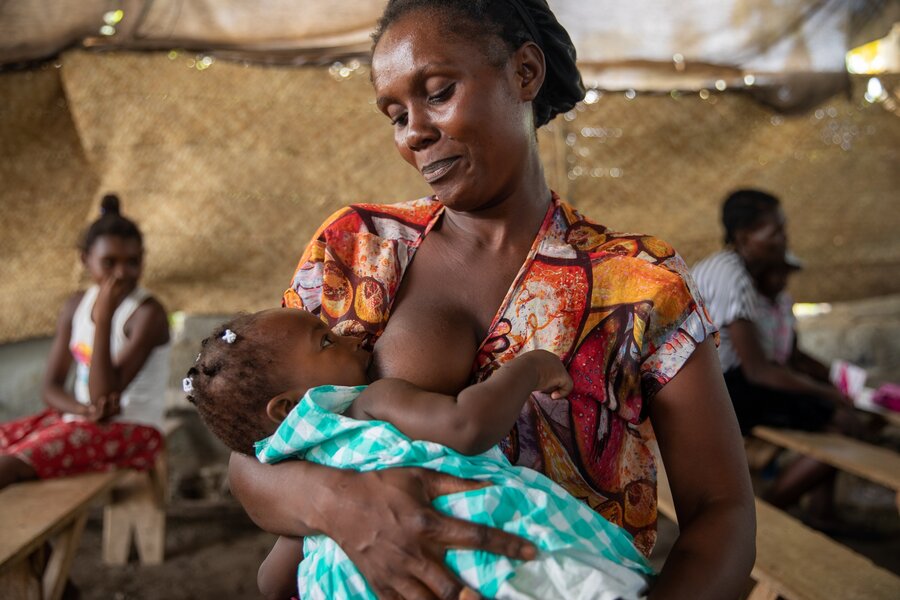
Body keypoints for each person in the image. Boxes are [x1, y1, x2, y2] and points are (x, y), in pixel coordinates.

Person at [229, 2, 756, 599]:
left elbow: (722, 510)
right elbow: (253, 445)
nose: (414, 131)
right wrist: (344, 508)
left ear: (525, 73)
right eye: (394, 113)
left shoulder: (637, 282)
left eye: (438, 92)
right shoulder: (357, 248)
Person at [185, 307, 655, 599]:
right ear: (287, 406)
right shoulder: (365, 404)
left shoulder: (296, 482)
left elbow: (271, 583)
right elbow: (466, 425)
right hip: (495, 563)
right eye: (326, 340)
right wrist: (530, 369)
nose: (352, 337)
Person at [692, 189, 861, 526]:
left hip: (720, 387)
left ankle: (818, 512)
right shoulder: (731, 276)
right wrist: (828, 393)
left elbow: (777, 361)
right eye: (776, 232)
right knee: (836, 422)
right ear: (744, 237)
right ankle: (767, 518)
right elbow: (757, 371)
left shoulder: (732, 273)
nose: (785, 240)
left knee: (832, 420)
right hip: (714, 394)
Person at [0, 194, 171, 490]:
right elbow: (50, 388)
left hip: (133, 430)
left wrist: (103, 320)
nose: (121, 273)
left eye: (132, 262)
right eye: (109, 262)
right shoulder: (76, 305)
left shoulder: (148, 314)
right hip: (80, 419)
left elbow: (102, 395)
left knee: (8, 466)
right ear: (85, 260)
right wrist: (83, 412)